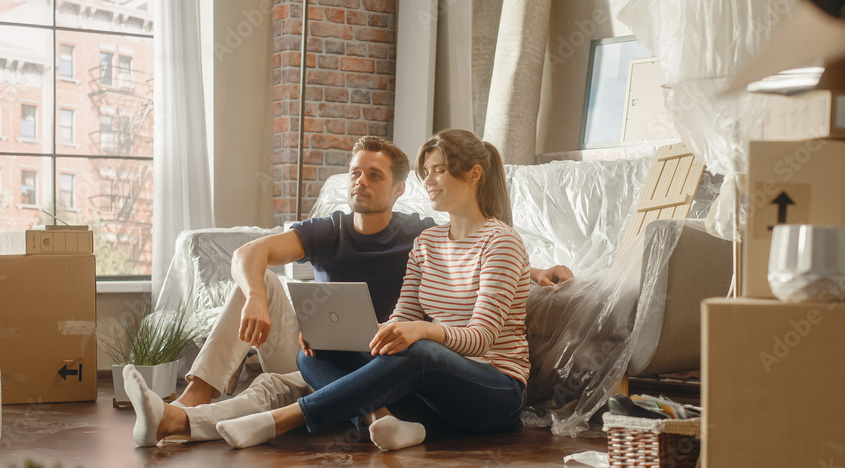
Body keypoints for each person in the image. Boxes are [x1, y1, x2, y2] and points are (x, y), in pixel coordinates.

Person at [124, 135, 573, 448]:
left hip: (490, 387)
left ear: (472, 175)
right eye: (427, 172)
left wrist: (525, 274)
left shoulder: (485, 239)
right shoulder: (425, 240)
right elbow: (403, 313)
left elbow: (483, 332)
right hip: (419, 381)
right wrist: (350, 334)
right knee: (309, 355)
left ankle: (281, 421)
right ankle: (385, 422)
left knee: (414, 354)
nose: (430, 180)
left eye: (439, 171)